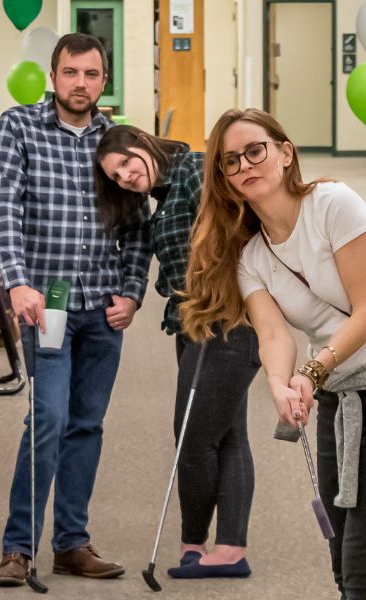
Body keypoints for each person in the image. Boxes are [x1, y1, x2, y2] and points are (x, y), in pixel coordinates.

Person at [179, 108, 366, 599]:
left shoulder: (333, 204)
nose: (245, 165)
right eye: (230, 162)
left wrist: (313, 372)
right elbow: (275, 337)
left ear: (284, 152)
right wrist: (280, 383)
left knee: (365, 566)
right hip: (341, 399)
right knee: (343, 561)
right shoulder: (251, 257)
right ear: (223, 179)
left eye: (255, 150)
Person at [0, 33, 145, 587]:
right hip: (47, 301)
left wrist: (132, 291)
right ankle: (17, 547)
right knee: (49, 417)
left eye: (92, 74)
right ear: (53, 75)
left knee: (87, 424)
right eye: (71, 72)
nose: (81, 83)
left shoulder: (118, 137)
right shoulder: (19, 126)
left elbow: (138, 224)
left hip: (102, 304)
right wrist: (16, 283)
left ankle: (72, 543)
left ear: (105, 80)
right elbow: (2, 206)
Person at [93, 125, 260, 579]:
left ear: (144, 145)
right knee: (225, 433)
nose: (125, 177)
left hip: (225, 320)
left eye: (127, 164)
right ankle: (221, 548)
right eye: (115, 177)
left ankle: (200, 544)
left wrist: (214, 284)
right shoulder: (163, 193)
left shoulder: (192, 172)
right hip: (193, 321)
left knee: (194, 434)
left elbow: (237, 229)